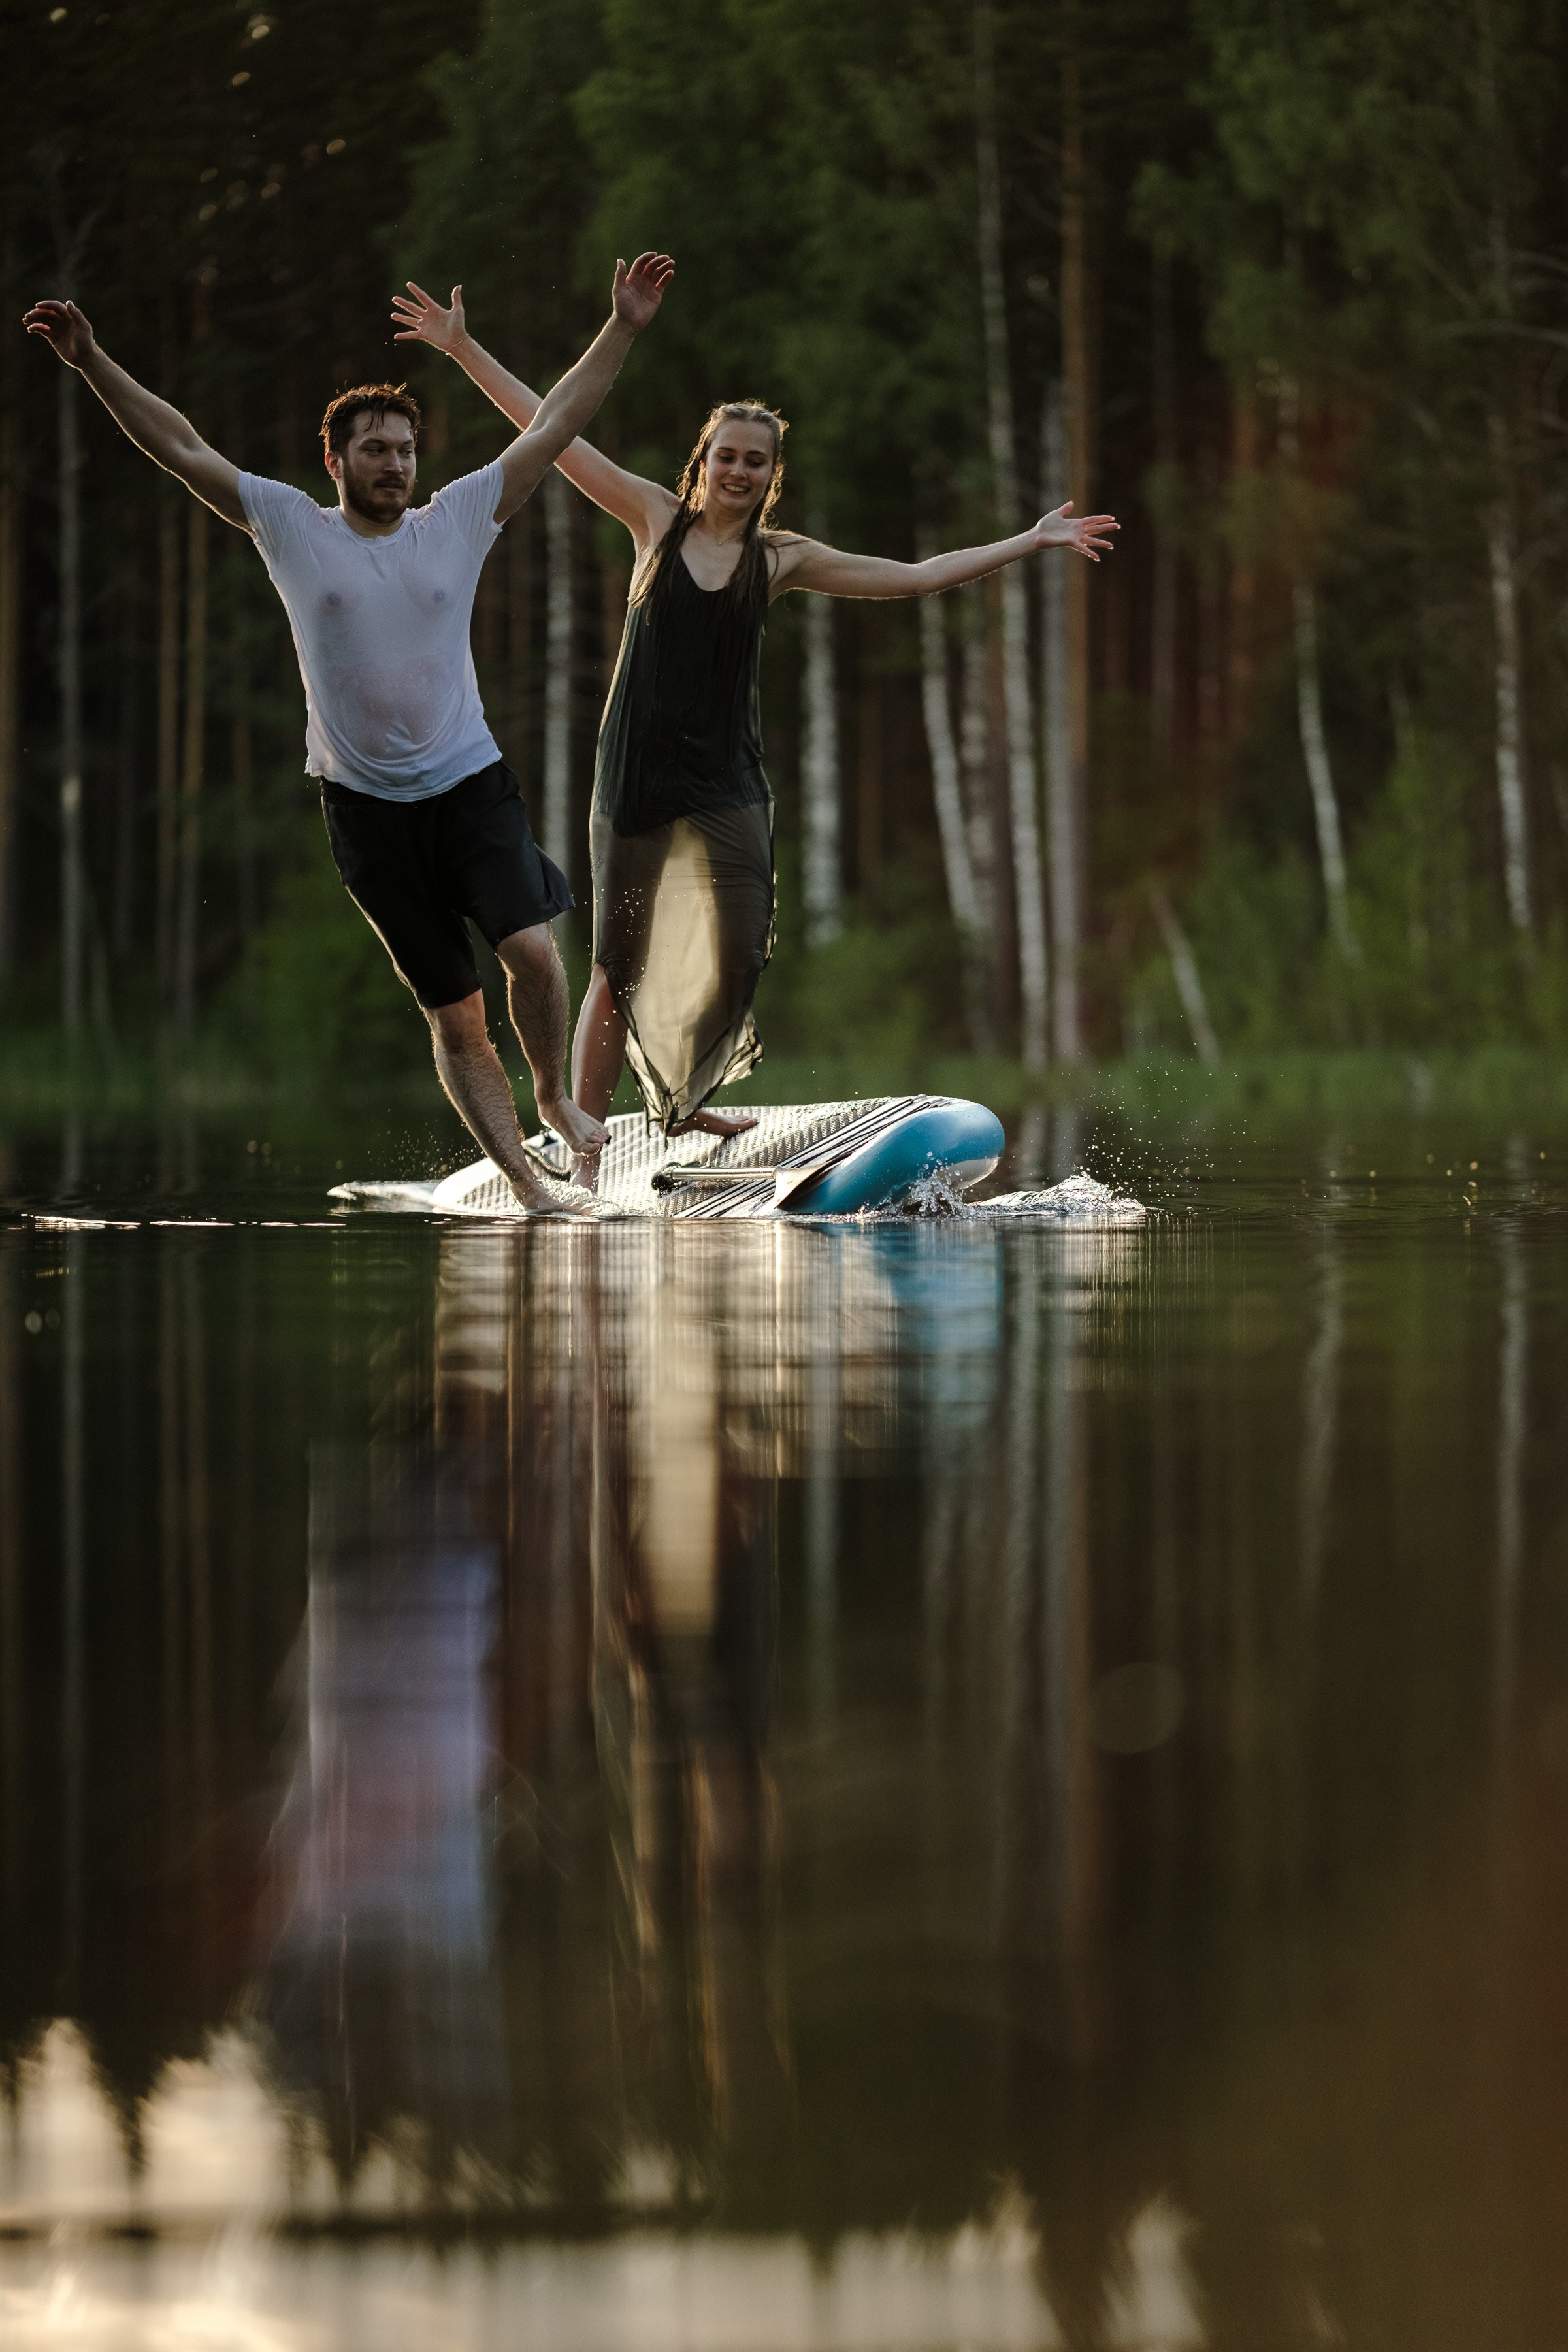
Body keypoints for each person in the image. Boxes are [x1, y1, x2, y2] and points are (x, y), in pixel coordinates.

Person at [393, 282, 1119, 1187]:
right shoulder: (654, 521)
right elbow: (553, 430)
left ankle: (683, 1096)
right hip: (638, 782)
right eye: (728, 456)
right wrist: (462, 348)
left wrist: (1029, 540)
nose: (739, 472)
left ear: (773, 475)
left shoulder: (780, 558)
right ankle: (582, 1147)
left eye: (756, 463)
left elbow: (914, 575)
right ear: (704, 461)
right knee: (618, 963)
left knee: (738, 951)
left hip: (729, 784)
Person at [25, 254, 675, 1214]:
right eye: (375, 449)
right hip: (366, 812)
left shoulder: (459, 517)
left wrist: (621, 326)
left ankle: (549, 1097)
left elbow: (559, 423)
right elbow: (181, 445)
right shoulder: (291, 526)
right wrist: (92, 363)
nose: (396, 464)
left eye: (406, 449)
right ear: (335, 462)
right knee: (455, 1015)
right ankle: (530, 1193)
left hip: (469, 782)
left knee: (532, 954)